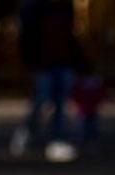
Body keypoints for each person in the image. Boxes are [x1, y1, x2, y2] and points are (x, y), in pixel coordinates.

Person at [10, 0, 80, 159]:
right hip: (42, 63)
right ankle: (27, 130)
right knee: (41, 100)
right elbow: (25, 38)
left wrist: (80, 65)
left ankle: (58, 140)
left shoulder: (65, 6)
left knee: (61, 103)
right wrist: (29, 64)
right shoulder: (31, 7)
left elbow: (70, 36)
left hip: (63, 61)